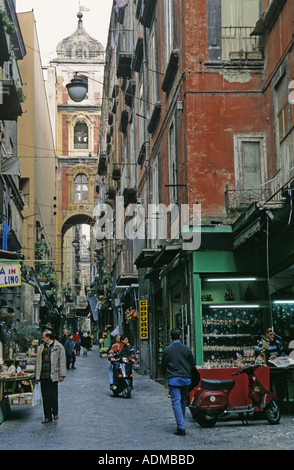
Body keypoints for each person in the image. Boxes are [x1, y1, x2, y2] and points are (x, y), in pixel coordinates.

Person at [161, 328, 196, 436]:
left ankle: (181, 427)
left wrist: (165, 373)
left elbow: (163, 364)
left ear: (170, 337)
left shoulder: (167, 350)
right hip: (186, 378)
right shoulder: (186, 349)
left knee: (176, 402)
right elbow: (193, 362)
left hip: (173, 378)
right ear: (180, 336)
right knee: (182, 402)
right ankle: (181, 423)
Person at [35, 331, 66, 424]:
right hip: (43, 376)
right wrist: (36, 376)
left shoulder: (58, 347)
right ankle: (47, 416)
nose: (42, 338)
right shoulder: (41, 347)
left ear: (48, 337)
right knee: (45, 396)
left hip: (53, 375)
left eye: (43, 337)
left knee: (53, 395)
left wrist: (62, 375)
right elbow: (37, 363)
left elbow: (62, 361)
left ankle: (55, 412)